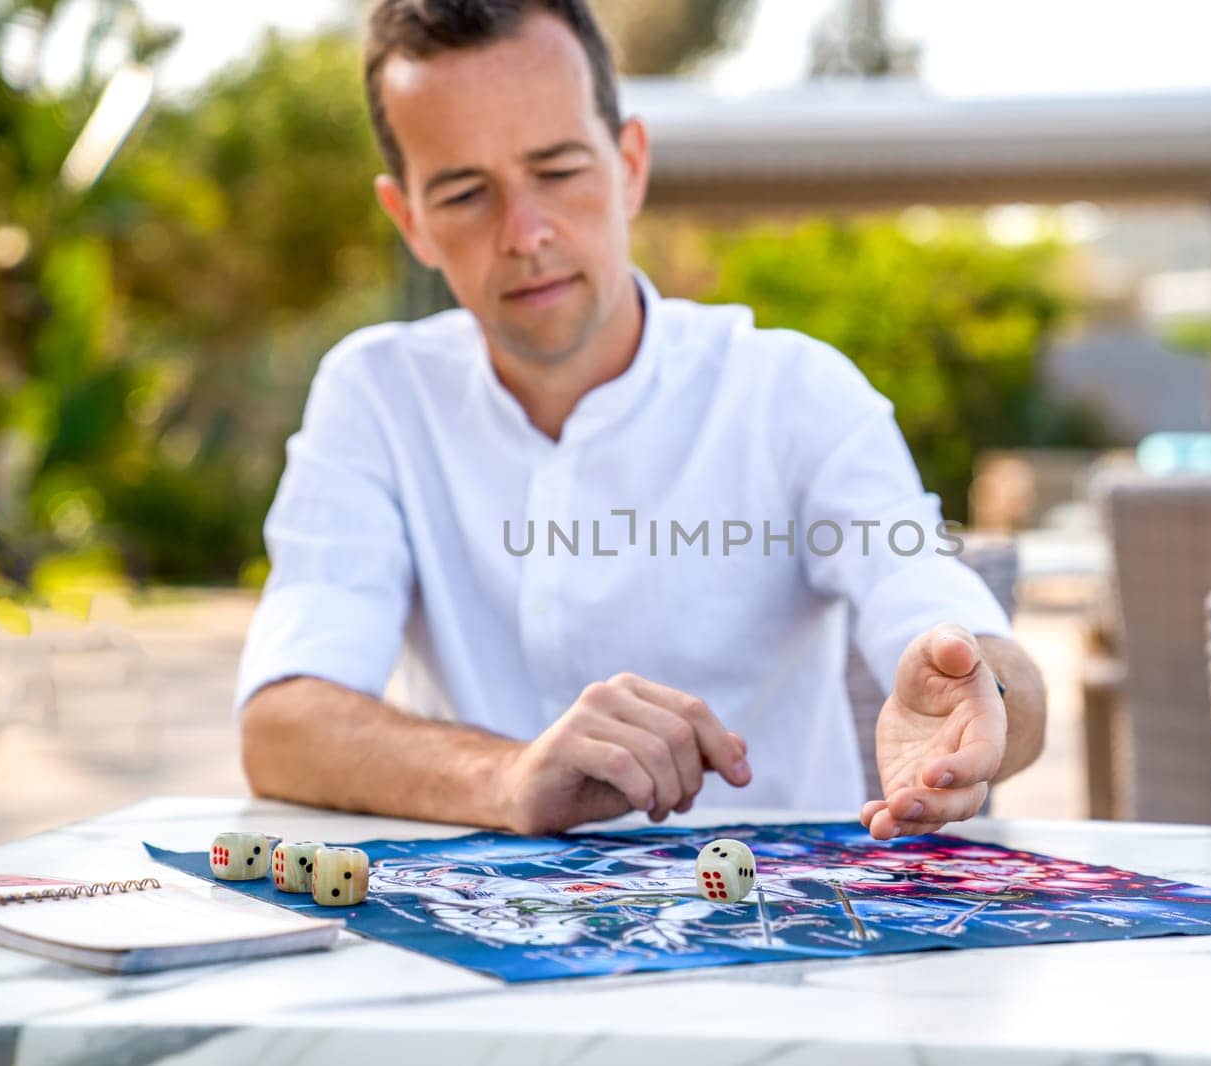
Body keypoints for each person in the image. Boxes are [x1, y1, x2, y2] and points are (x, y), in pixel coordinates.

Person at [237, 0, 1046, 842]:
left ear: (629, 166)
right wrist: (506, 776)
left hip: (771, 942)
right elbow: (283, 724)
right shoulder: (375, 395)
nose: (525, 233)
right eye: (467, 191)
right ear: (410, 221)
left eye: (558, 170)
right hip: (471, 937)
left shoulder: (792, 391)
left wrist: (980, 695)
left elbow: (943, 614)